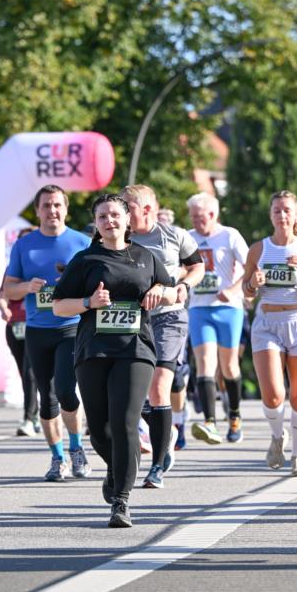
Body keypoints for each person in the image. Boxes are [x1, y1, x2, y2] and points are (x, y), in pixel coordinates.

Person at [52, 193, 176, 527]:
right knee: (100, 431)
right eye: (103, 216)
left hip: (135, 349)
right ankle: (121, 466)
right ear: (96, 223)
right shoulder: (85, 259)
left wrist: (159, 293)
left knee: (124, 420)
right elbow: (58, 305)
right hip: (93, 350)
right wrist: (89, 302)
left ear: (127, 219)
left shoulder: (145, 257)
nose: (110, 221)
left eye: (115, 215)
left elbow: (175, 291)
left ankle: (120, 501)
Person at [3, 185, 91, 481]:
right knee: (46, 398)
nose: (52, 211)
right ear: (37, 211)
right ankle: (58, 457)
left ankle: (77, 448)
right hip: (37, 330)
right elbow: (9, 288)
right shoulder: (24, 246)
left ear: (65, 209)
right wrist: (28, 287)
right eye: (46, 206)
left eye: (57, 205)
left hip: (71, 328)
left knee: (66, 390)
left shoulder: (82, 242)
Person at [121, 185, 204, 488]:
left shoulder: (174, 235)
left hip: (169, 318)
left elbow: (197, 266)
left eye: (127, 205)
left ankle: (158, 462)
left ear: (146, 209)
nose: (121, 211)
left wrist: (184, 286)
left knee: (159, 389)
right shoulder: (119, 238)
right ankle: (162, 429)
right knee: (132, 394)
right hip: (130, 320)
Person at [242, 191, 297, 477]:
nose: (282, 216)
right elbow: (248, 293)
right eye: (277, 210)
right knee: (274, 395)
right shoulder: (258, 249)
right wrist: (253, 282)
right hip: (267, 322)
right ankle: (278, 436)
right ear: (271, 215)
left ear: (296, 215)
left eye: (287, 210)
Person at [186, 192, 248, 444]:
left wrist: (233, 290)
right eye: (193, 218)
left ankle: (234, 415)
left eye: (200, 218)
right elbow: (178, 267)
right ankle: (210, 422)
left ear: (213, 215)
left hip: (229, 309)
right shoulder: (187, 238)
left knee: (229, 366)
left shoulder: (230, 235)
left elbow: (251, 268)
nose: (196, 223)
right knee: (205, 363)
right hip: (199, 308)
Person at [0, 227, 40, 437]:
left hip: (38, 325)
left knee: (31, 371)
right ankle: (37, 411)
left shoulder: (43, 264)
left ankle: (29, 418)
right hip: (15, 326)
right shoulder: (12, 268)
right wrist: (3, 308)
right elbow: (3, 295)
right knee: (25, 373)